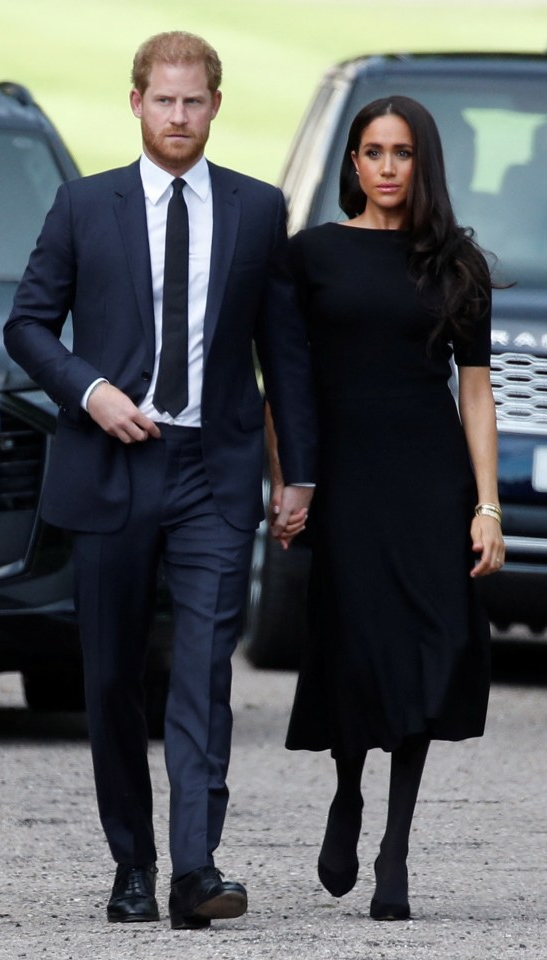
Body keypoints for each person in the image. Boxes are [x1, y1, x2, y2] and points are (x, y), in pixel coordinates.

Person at [4, 31, 316, 930]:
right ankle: (131, 866)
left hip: (211, 473)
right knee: (109, 679)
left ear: (217, 105)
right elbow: (28, 327)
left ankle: (194, 869)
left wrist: (297, 474)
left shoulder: (259, 211)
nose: (178, 116)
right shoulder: (81, 206)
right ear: (135, 102)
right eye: (163, 100)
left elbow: (282, 355)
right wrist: (93, 392)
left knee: (203, 674)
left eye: (194, 101)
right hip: (111, 467)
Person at [280, 95, 504, 920]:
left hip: (428, 482)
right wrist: (286, 478)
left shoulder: (455, 265)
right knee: (353, 645)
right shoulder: (310, 258)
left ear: (422, 163)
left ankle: (394, 850)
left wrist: (487, 507)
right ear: (352, 163)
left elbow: (475, 395)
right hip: (344, 482)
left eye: (400, 153)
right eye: (370, 152)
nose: (383, 167)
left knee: (427, 649)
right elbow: (286, 382)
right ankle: (346, 791)